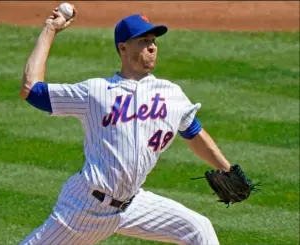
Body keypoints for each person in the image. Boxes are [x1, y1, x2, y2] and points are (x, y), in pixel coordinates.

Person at [18, 5, 232, 245]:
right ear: (122, 48)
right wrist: (50, 29)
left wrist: (227, 169)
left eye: (153, 40)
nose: (152, 46)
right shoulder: (95, 92)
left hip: (132, 206)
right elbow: (31, 91)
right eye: (143, 40)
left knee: (198, 228)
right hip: (84, 208)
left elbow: (193, 132)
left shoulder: (172, 94)